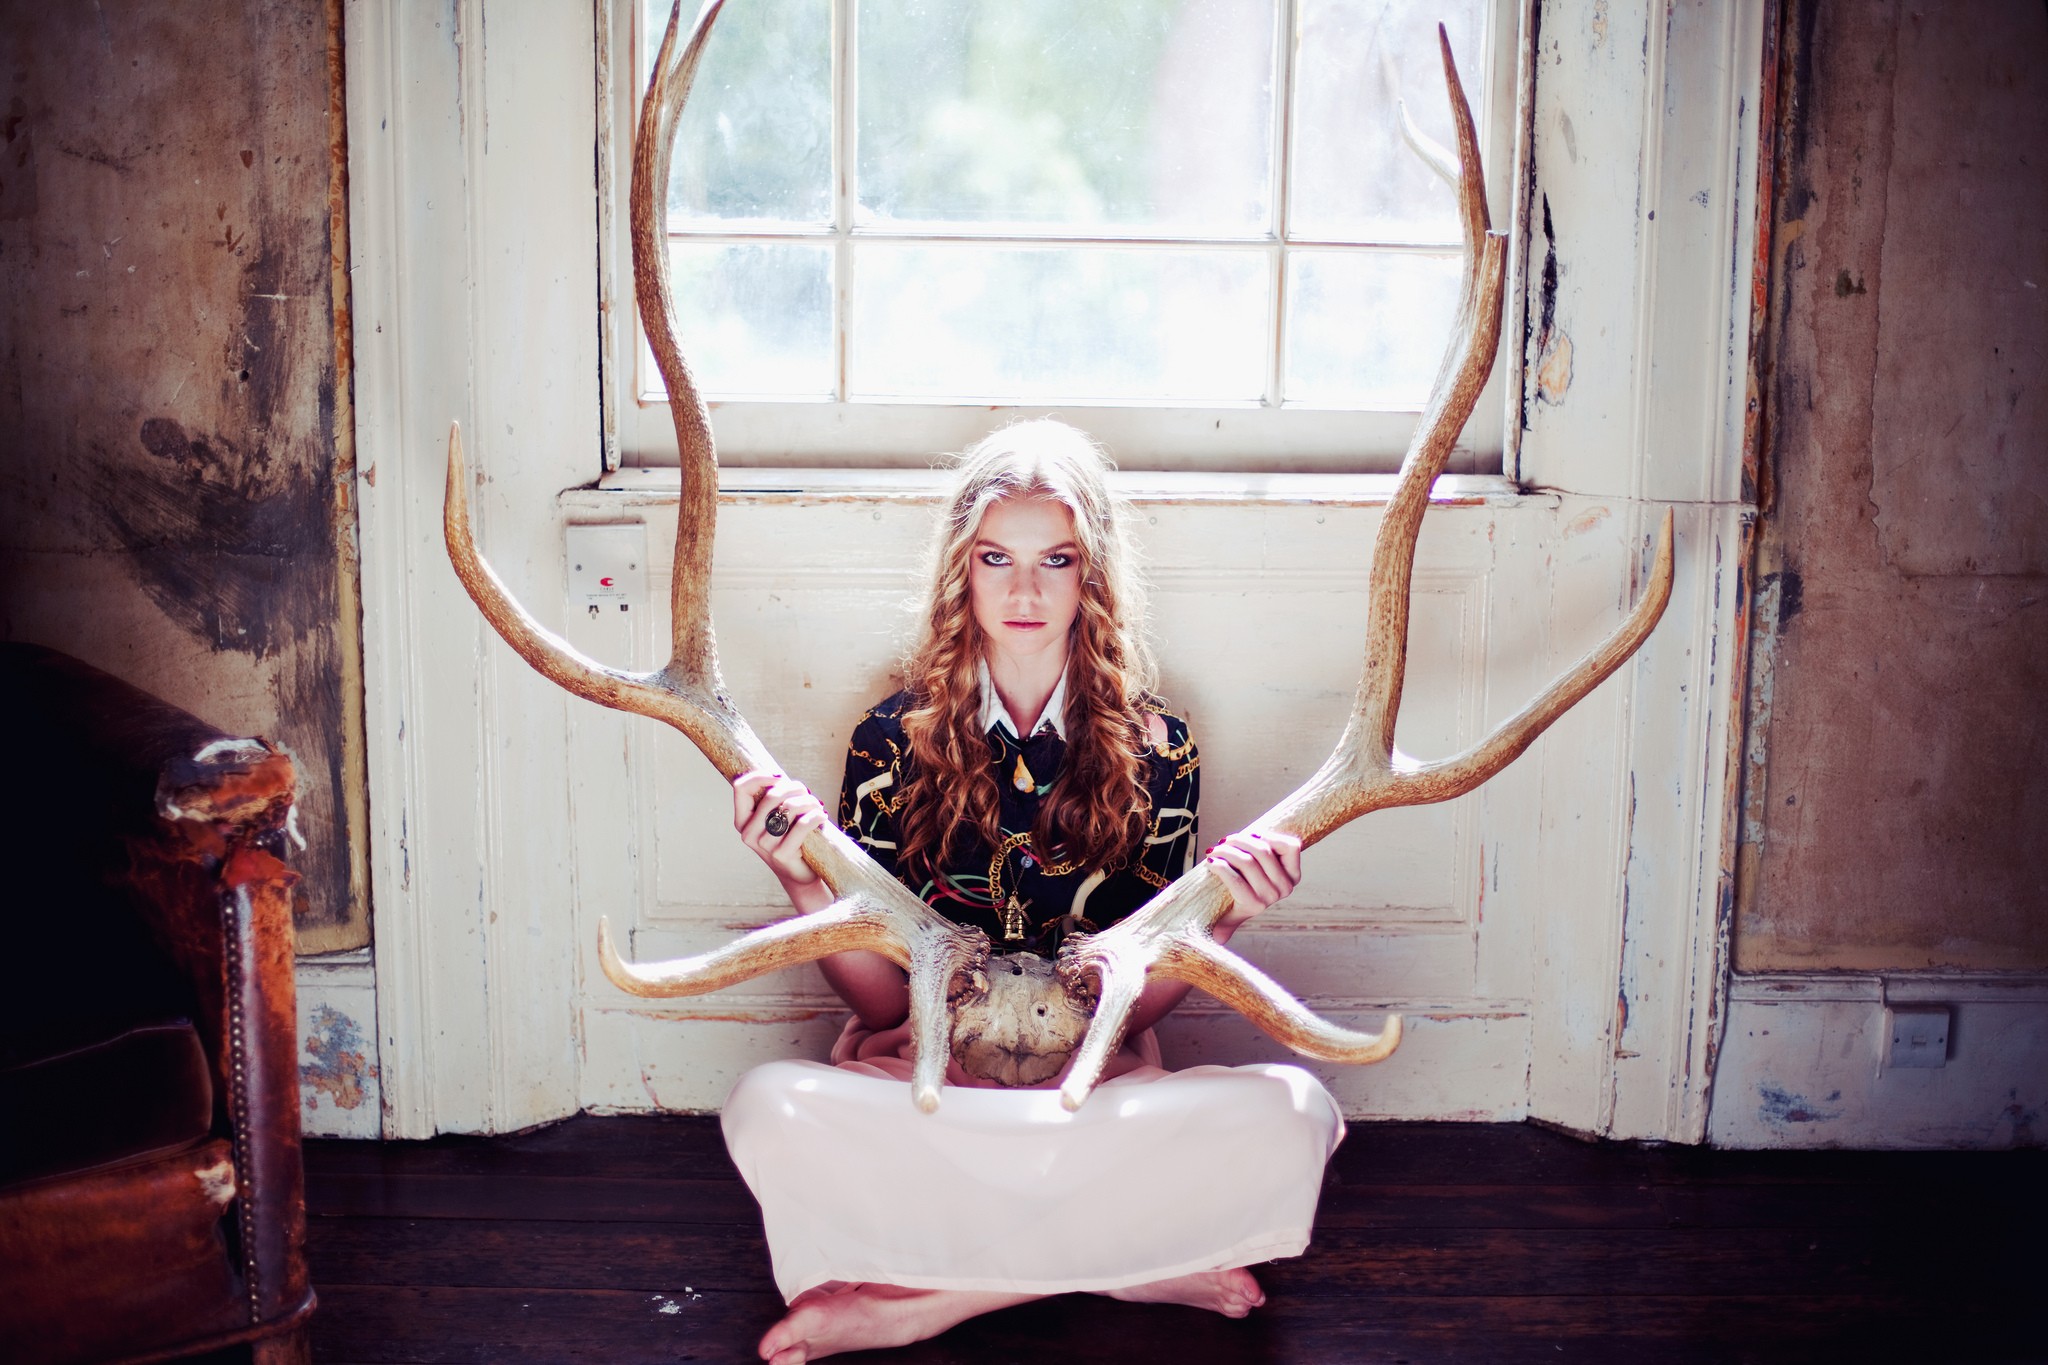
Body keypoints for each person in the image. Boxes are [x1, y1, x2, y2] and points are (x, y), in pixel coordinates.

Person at [719, 420, 1340, 1365]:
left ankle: (921, 1302)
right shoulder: (887, 742)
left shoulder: (1160, 750)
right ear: (960, 571)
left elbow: (1135, 1007)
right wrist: (796, 875)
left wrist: (1229, 916)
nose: (1023, 590)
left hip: (1089, 1098)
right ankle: (1117, 1261)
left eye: (1055, 559)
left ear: (1091, 574)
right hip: (926, 1090)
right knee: (764, 1105)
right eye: (995, 558)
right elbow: (886, 1002)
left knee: (1299, 1115)